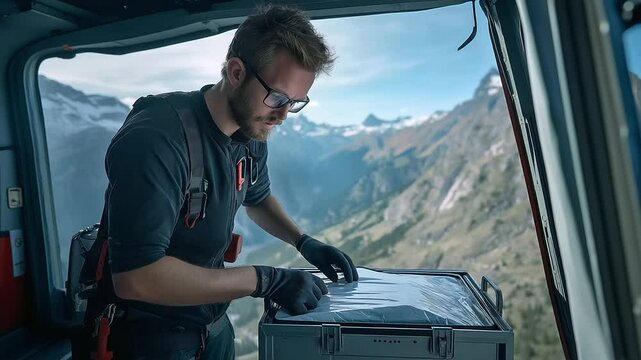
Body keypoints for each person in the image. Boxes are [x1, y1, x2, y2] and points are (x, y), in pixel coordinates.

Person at [75, 5, 359, 360]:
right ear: (236, 72)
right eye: (278, 98)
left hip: (211, 326)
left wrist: (303, 242)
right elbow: (136, 277)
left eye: (296, 103)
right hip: (147, 338)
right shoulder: (156, 139)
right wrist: (264, 280)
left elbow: (257, 196)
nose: (284, 115)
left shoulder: (251, 130)